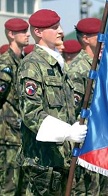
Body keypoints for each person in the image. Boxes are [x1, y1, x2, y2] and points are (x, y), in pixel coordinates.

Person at [16, 9, 87, 195]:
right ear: (38, 32)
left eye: (60, 26)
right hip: (42, 162)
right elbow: (31, 113)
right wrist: (67, 132)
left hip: (62, 159)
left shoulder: (57, 65)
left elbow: (68, 108)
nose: (61, 31)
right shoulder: (32, 64)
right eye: (54, 27)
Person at [68, 17, 108, 196]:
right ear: (85, 38)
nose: (103, 38)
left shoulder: (101, 65)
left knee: (102, 190)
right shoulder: (78, 69)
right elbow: (73, 112)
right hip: (86, 144)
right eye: (98, 35)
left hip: (102, 141)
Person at [0, 17, 30, 195]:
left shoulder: (24, 62)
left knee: (23, 188)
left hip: (22, 137)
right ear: (11, 34)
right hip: (7, 138)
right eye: (23, 32)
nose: (28, 35)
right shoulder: (5, 64)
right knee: (8, 188)